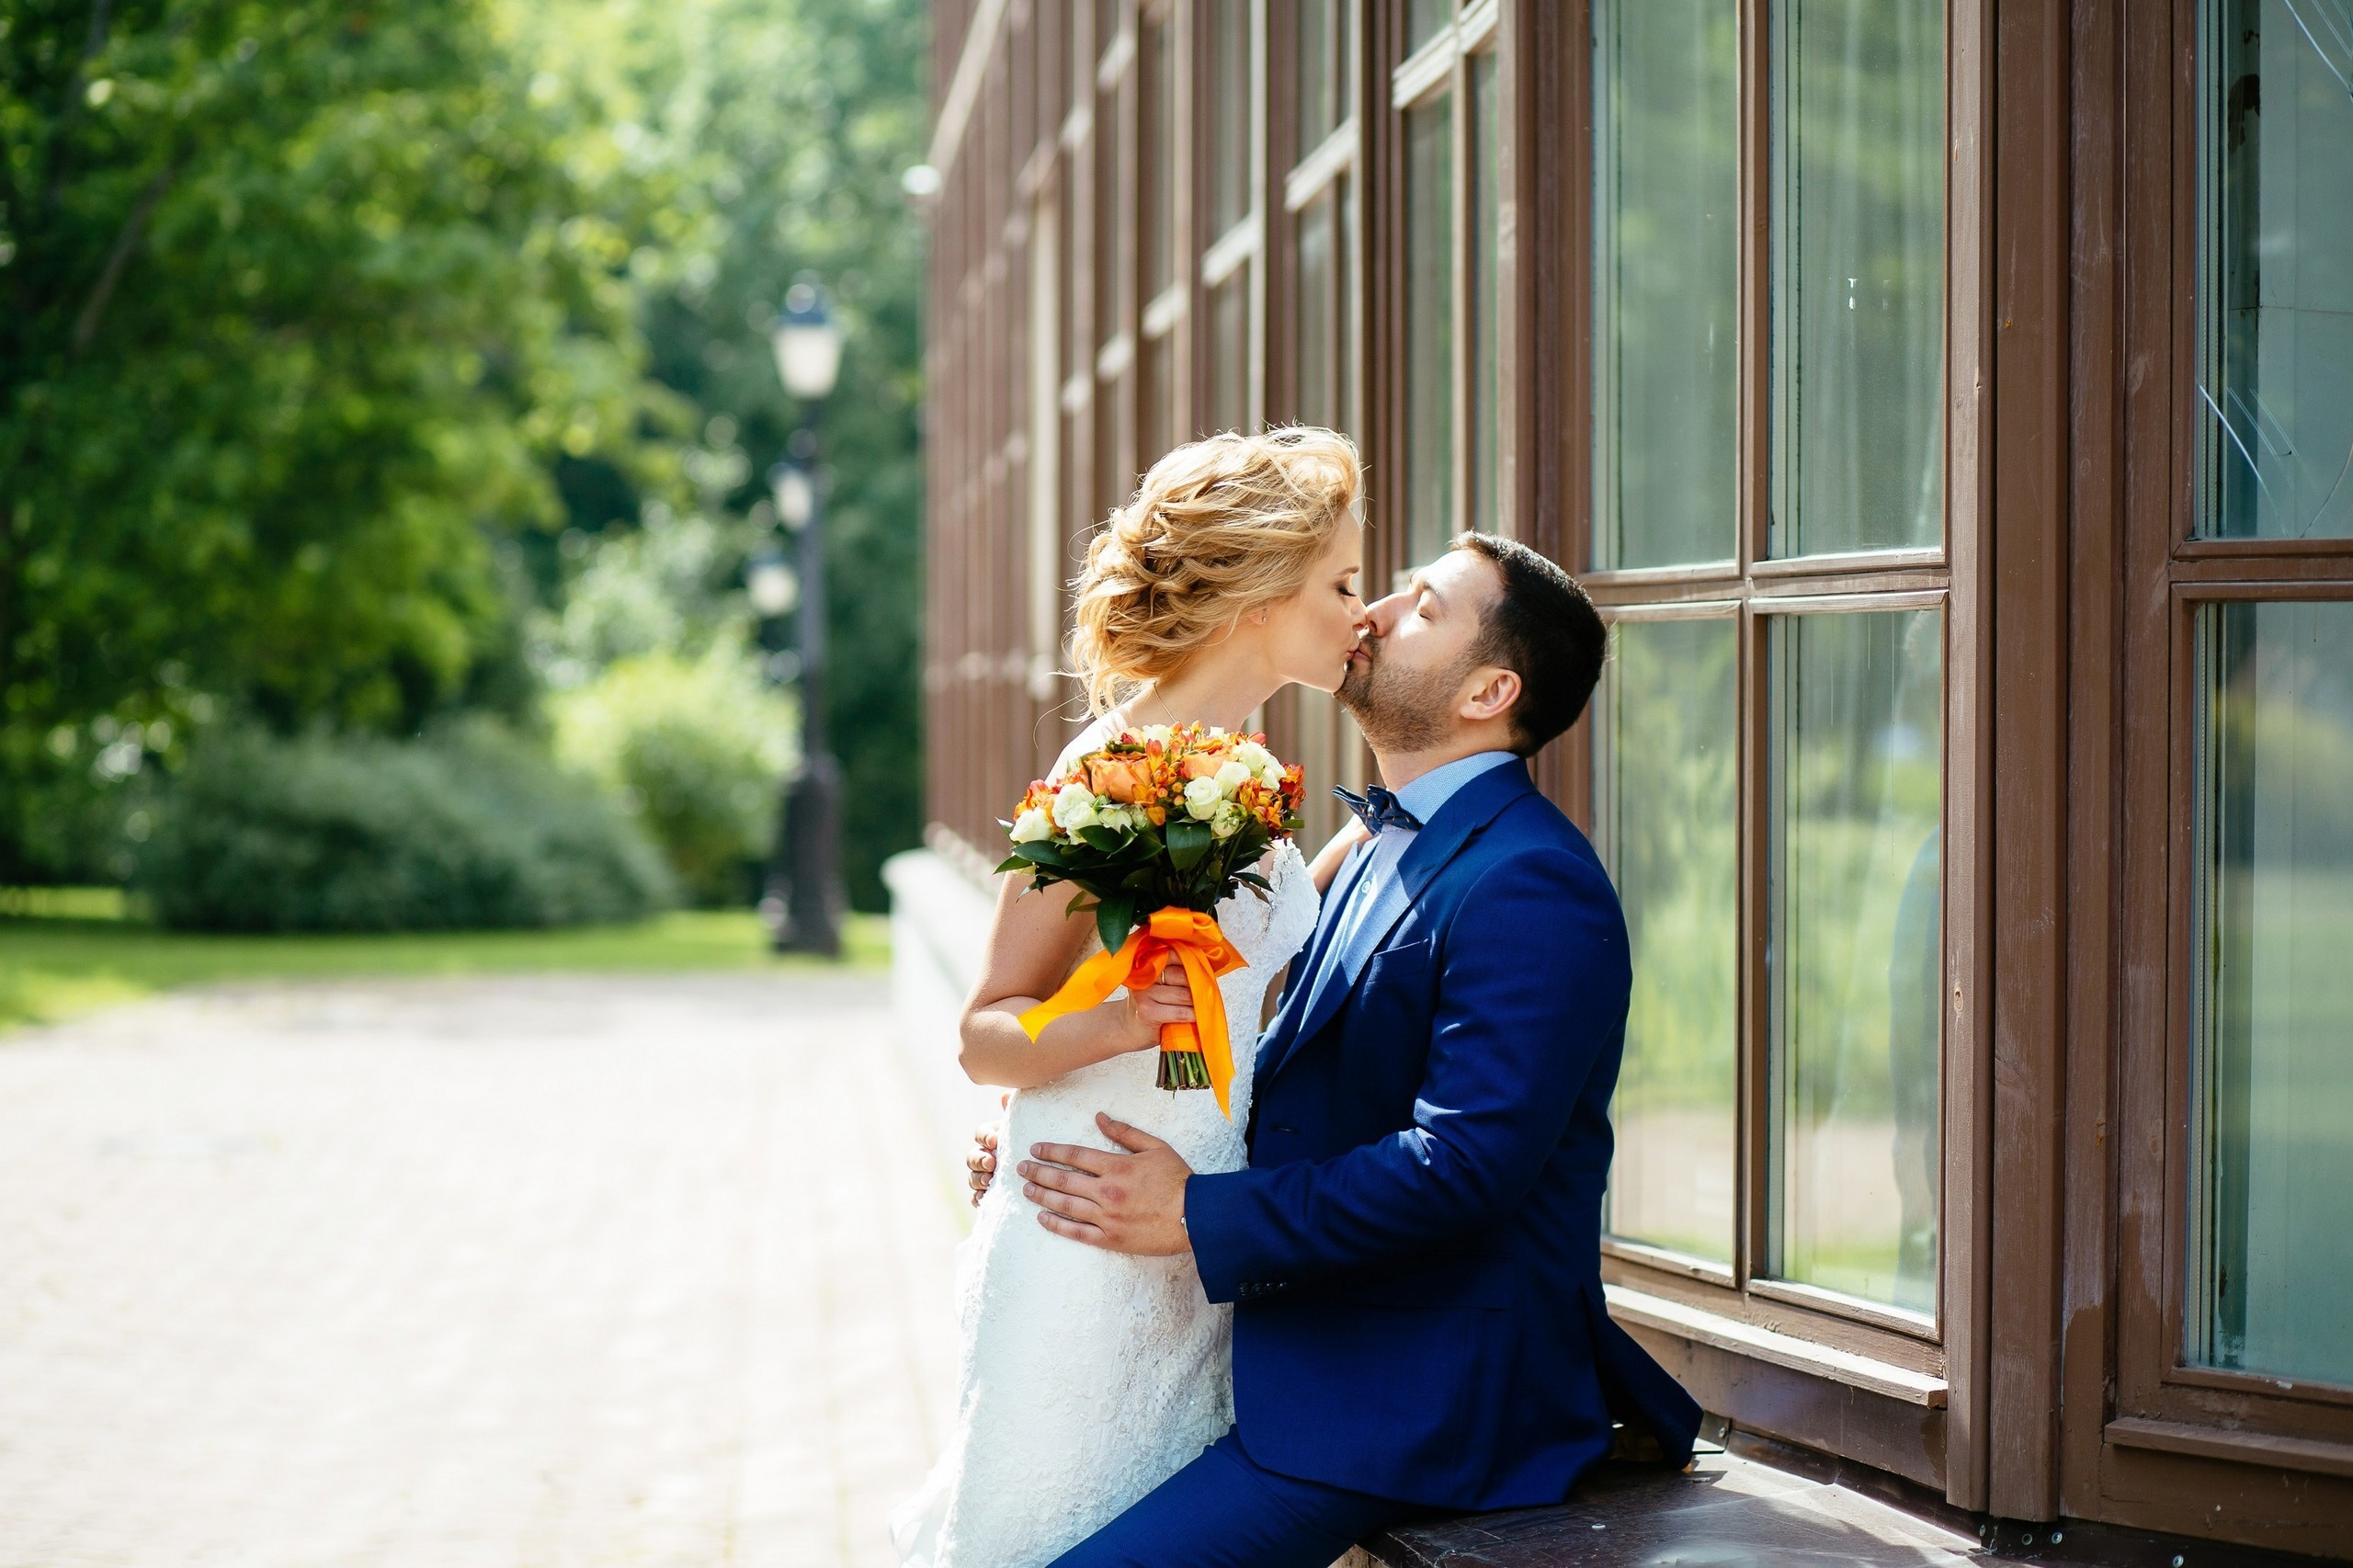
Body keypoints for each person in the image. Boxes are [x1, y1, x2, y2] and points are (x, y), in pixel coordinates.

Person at [969, 532, 1703, 1568]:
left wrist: (1192, 1210)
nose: (1377, 612)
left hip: (1411, 1398)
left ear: (1488, 688)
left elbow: (1464, 1167)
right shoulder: (1370, 844)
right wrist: (1049, 1106)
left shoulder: (1533, 881)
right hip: (1276, 1348)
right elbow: (1265, 1061)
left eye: (1423, 605)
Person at [890, 428, 1372, 1568]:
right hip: (1086, 1251)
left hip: (1195, 1265)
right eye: (1342, 583)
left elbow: (1256, 954)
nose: (1364, 610)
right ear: (1257, 596)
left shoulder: (1247, 776)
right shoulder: (1103, 780)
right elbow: (984, 1032)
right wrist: (1109, 1026)